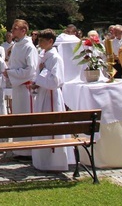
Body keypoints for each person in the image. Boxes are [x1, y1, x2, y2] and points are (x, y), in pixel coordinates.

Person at [30, 29, 72, 171]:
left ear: (50, 42)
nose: (39, 43)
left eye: (42, 40)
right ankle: (42, 160)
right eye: (39, 40)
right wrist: (36, 82)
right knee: (42, 126)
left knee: (52, 127)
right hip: (43, 94)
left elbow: (56, 81)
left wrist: (41, 74)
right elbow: (41, 76)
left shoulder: (55, 58)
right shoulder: (43, 55)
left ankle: (54, 162)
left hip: (52, 97)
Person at [3, 19, 38, 158]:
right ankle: (19, 148)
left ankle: (29, 151)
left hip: (26, 88)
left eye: (15, 28)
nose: (12, 31)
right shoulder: (16, 45)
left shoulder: (29, 47)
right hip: (17, 87)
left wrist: (11, 73)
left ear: (24, 30)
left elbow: (30, 70)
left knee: (26, 118)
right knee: (18, 117)